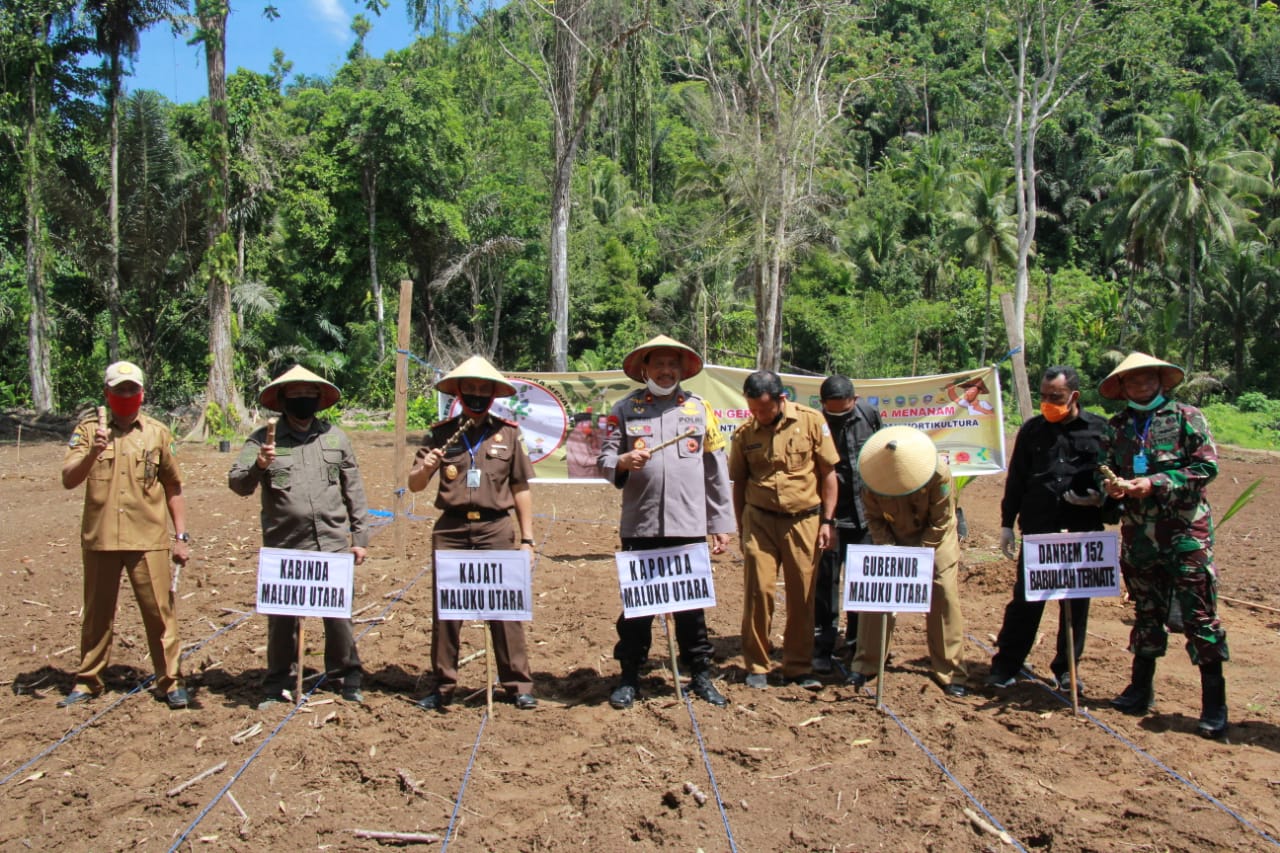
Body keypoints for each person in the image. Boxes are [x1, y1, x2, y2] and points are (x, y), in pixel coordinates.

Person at [598, 335, 735, 709]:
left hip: (687, 524)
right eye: (658, 364)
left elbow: (715, 468)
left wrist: (720, 522)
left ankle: (701, 675)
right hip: (640, 525)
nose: (665, 370)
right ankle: (629, 677)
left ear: (682, 369)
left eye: (672, 364)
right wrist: (622, 463)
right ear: (644, 370)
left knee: (691, 608)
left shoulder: (699, 409)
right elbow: (604, 459)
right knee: (638, 607)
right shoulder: (624, 410)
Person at [1098, 352, 1229, 738]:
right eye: (1132, 380)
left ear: (1160, 380)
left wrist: (1155, 482)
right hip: (1139, 534)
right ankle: (1140, 690)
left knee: (1198, 613)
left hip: (1185, 533)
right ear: (1121, 387)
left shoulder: (1187, 417)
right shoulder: (1118, 426)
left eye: (1147, 377)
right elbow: (1110, 468)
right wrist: (1114, 487)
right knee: (1146, 610)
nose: (1141, 384)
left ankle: (1214, 705)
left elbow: (1206, 466)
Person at [228, 365, 370, 706]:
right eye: (295, 395)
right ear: (282, 400)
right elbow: (237, 483)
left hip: (332, 542)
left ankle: (345, 675)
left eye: (309, 395)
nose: (302, 400)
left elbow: (354, 489)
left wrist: (360, 538)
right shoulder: (262, 439)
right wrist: (260, 465)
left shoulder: (335, 437)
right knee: (283, 621)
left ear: (319, 400)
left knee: (338, 616)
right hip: (285, 546)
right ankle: (279, 681)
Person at [58, 360, 191, 709]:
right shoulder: (88, 432)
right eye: (120, 390)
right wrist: (93, 452)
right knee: (97, 614)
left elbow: (174, 487)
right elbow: (69, 478)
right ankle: (88, 680)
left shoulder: (158, 434)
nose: (127, 395)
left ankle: (170, 680)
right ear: (107, 393)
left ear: (142, 393)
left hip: (147, 538)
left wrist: (181, 536)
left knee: (160, 613)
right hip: (101, 538)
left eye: (132, 389)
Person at [410, 356, 537, 711]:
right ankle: (443, 685)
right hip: (451, 530)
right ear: (460, 392)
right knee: (447, 611)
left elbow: (521, 487)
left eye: (485, 389)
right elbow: (414, 484)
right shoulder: (440, 434)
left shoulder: (508, 434)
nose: (478, 394)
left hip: (496, 528)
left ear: (494, 394)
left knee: (504, 607)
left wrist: (527, 540)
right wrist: (427, 467)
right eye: (471, 388)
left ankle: (517, 684)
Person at [987, 366, 1111, 692]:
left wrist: (1101, 499)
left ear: (1074, 396)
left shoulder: (1100, 431)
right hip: (1039, 529)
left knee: (1075, 604)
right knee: (1026, 601)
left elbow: (1114, 480)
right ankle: (1006, 664)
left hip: (1081, 532)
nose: (1047, 403)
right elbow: (1016, 481)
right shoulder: (1032, 431)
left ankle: (1067, 669)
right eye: (1043, 396)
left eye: (1054, 397)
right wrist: (1006, 525)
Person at [728, 370, 838, 690]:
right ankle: (758, 665)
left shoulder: (812, 421)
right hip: (759, 521)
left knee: (802, 594)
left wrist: (828, 522)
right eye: (754, 410)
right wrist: (741, 525)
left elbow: (828, 474)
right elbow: (740, 483)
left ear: (781, 399)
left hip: (804, 520)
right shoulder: (744, 434)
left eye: (766, 409)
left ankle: (798, 666)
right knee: (758, 591)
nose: (760, 415)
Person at [845, 426, 969, 697]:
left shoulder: (939, 474)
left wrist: (920, 558)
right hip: (894, 537)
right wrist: (890, 551)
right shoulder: (871, 479)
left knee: (943, 596)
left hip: (936, 542)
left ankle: (950, 670)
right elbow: (874, 518)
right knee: (877, 594)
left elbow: (941, 521)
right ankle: (866, 663)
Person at [812, 375, 882, 673]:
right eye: (834, 411)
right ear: (823, 405)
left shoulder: (868, 414)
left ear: (855, 400)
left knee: (861, 583)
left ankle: (856, 644)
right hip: (828, 519)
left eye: (845, 410)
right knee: (826, 584)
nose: (840, 415)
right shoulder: (815, 423)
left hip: (865, 516)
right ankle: (823, 646)